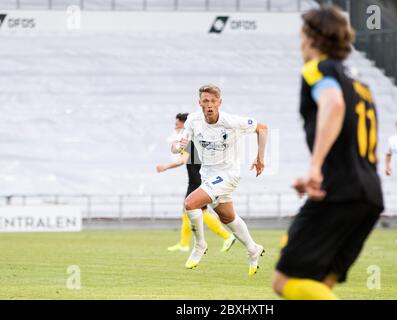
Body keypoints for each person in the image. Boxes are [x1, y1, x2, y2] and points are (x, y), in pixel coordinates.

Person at [272, 6, 384, 300]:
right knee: (319, 285)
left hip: (338, 191)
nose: (300, 43)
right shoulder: (360, 84)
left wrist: (316, 167)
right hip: (370, 195)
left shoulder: (318, 68)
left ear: (312, 38)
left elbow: (333, 104)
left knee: (284, 281)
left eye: (301, 36)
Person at [174, 84, 268, 276]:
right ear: (199, 103)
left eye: (213, 101)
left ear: (219, 102)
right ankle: (253, 249)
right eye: (205, 101)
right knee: (227, 217)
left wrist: (260, 158)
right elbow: (176, 148)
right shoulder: (193, 120)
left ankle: (200, 245)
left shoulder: (232, 122)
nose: (209, 105)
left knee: (190, 203)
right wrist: (178, 146)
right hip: (208, 176)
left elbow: (263, 128)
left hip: (228, 175)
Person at [156, 113, 236, 253]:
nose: (175, 127)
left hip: (196, 181)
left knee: (200, 211)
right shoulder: (195, 139)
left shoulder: (190, 141)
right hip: (196, 179)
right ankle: (184, 243)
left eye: (177, 124)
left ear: (184, 124)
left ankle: (227, 236)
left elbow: (182, 160)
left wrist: (165, 167)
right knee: (188, 211)